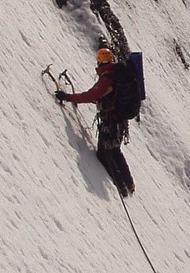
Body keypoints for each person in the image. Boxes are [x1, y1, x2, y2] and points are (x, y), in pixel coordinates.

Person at [55, 47, 136, 197]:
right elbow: (103, 96)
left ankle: (120, 188)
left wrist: (67, 97)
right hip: (120, 121)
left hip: (110, 122)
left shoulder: (107, 77)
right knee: (115, 151)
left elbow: (91, 96)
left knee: (105, 153)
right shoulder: (118, 74)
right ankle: (129, 184)